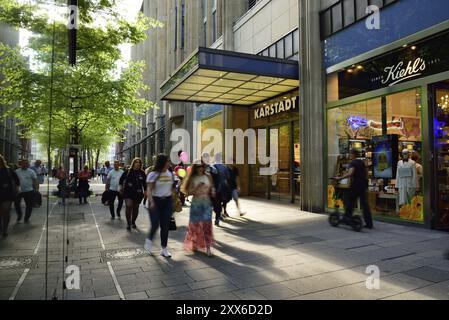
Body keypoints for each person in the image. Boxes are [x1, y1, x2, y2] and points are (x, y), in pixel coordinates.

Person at [181, 160, 216, 257]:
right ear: (195, 168)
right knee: (195, 225)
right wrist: (197, 188)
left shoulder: (208, 176)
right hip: (196, 204)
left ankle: (208, 248)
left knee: (207, 225)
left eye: (202, 166)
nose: (200, 168)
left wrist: (213, 191)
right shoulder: (193, 178)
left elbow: (212, 187)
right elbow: (187, 193)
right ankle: (195, 244)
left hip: (207, 204)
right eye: (198, 166)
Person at [144, 154, 175, 258]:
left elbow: (171, 188)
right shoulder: (153, 174)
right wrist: (151, 202)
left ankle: (164, 248)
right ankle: (148, 242)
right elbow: (149, 190)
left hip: (167, 202)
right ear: (162, 162)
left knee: (165, 225)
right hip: (155, 201)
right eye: (167, 161)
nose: (169, 163)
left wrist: (174, 200)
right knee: (155, 224)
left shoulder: (170, 174)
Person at [336, 150, 373, 229]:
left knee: (350, 202)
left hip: (356, 185)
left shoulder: (353, 163)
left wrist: (340, 178)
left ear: (353, 155)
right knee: (365, 205)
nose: (349, 155)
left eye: (350, 154)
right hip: (363, 185)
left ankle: (347, 217)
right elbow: (366, 173)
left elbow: (350, 173)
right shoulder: (362, 162)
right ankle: (369, 223)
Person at [119, 158, 147, 231]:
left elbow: (145, 183)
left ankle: (133, 222)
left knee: (135, 208)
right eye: (136, 162)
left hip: (138, 193)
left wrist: (146, 191)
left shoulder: (142, 173)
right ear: (133, 163)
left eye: (139, 162)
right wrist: (120, 188)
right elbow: (121, 180)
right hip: (128, 192)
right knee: (128, 206)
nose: (137, 164)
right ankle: (128, 223)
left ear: (140, 164)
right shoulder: (128, 171)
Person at [0, 154, 20, 238]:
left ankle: (4, 230)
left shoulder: (8, 170)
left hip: (6, 195)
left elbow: (17, 181)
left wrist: (16, 190)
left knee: (6, 212)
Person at [14, 159, 38, 224]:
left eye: (26, 163)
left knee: (29, 205)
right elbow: (13, 181)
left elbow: (35, 181)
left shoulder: (31, 172)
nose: (24, 165)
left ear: (28, 164)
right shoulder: (16, 171)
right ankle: (19, 215)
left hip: (29, 191)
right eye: (23, 163)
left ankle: (26, 218)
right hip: (19, 191)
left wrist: (36, 190)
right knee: (16, 204)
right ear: (20, 164)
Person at [212, 153, 232, 219]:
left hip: (215, 186)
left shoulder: (213, 166)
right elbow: (228, 177)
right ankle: (224, 211)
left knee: (217, 200)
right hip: (223, 186)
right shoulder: (224, 167)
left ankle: (219, 214)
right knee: (224, 200)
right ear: (221, 158)